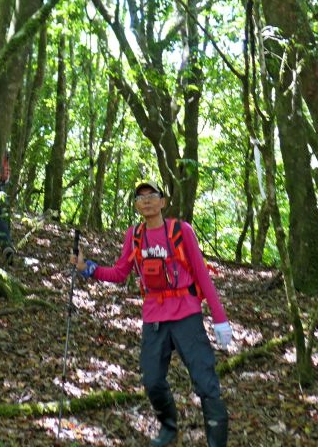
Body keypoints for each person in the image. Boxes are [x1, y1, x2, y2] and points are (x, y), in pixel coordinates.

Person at [71, 180, 232, 447]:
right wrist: (86, 267)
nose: (146, 201)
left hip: (186, 315)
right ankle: (169, 426)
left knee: (206, 383)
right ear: (136, 205)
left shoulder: (182, 231)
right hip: (154, 317)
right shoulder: (134, 236)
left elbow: (203, 276)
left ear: (162, 202)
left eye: (152, 195)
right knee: (153, 380)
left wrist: (220, 319)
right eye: (140, 197)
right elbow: (120, 272)